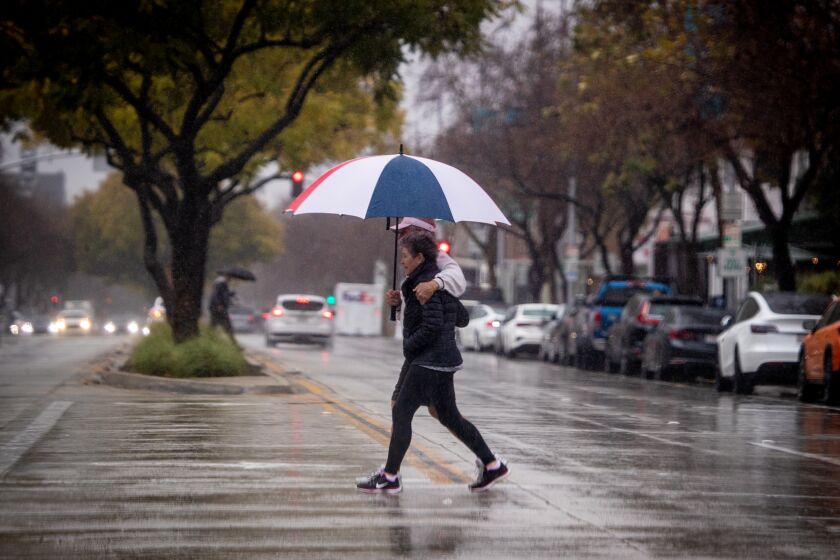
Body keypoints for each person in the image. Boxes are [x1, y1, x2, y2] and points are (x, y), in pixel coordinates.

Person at [357, 232, 509, 494]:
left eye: (405, 256)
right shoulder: (424, 281)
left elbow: (433, 325)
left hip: (430, 359)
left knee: (402, 411)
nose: (402, 261)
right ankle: (492, 464)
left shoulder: (427, 282)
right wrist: (401, 303)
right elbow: (459, 317)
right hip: (439, 359)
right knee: (448, 416)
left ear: (419, 257)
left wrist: (410, 343)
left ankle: (390, 475)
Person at [385, 218, 466, 417]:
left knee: (402, 408)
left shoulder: (437, 258)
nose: (400, 238)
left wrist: (435, 284)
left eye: (404, 232)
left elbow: (458, 280)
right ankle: (480, 447)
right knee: (439, 411)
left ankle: (480, 447)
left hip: (429, 353)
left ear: (418, 232)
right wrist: (399, 304)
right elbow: (413, 316)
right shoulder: (413, 269)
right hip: (423, 352)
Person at [209, 273, 237, 345]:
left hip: (218, 308)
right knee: (227, 326)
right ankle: (234, 344)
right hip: (218, 309)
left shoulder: (222, 284)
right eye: (230, 277)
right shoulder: (221, 284)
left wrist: (231, 293)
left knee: (214, 326)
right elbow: (216, 295)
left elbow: (223, 294)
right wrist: (218, 304)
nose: (230, 279)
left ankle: (210, 341)